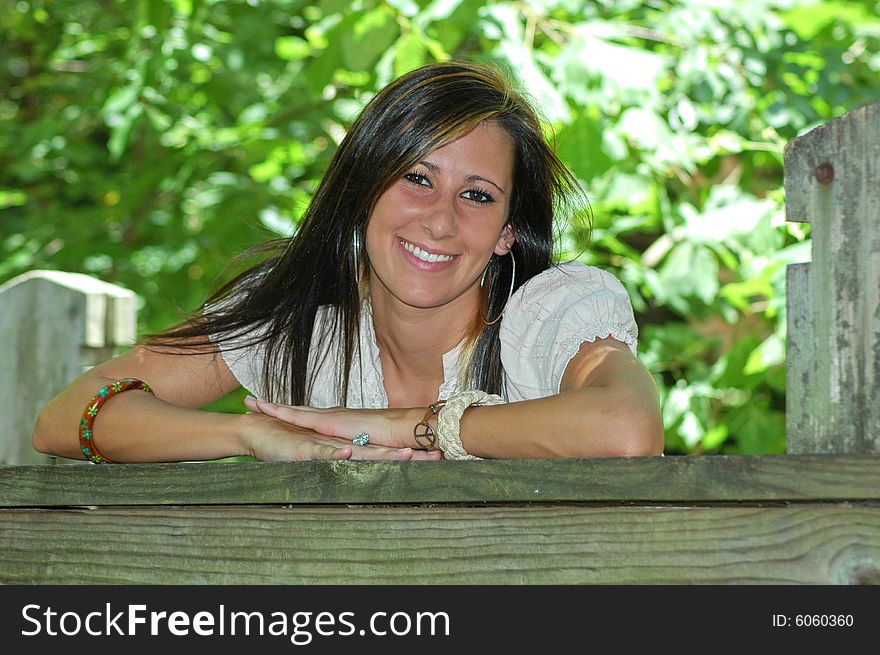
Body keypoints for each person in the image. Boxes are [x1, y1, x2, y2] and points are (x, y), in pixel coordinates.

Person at [32, 60, 664, 463]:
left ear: (506, 233)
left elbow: (627, 428)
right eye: (417, 178)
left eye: (477, 196)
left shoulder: (550, 315)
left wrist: (416, 427)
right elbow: (68, 416)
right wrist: (250, 437)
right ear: (363, 190)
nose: (441, 220)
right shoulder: (300, 318)